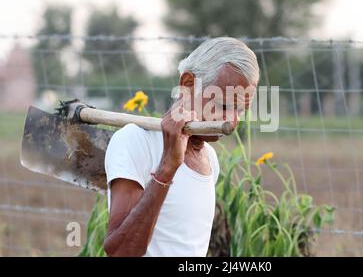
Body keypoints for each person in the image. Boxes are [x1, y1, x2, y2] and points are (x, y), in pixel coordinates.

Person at [103, 37, 260, 256]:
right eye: (222, 105)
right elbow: (120, 251)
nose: (232, 121)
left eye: (240, 110)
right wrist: (168, 166)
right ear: (188, 84)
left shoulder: (210, 159)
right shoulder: (136, 141)